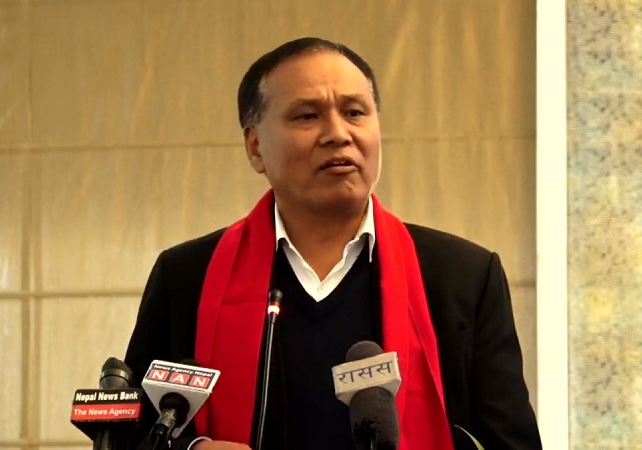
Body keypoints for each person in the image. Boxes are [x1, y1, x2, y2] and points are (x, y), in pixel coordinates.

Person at [123, 37, 542, 450]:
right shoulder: (188, 276)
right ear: (255, 147)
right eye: (307, 116)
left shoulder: (462, 276)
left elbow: (512, 441)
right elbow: (130, 435)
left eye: (355, 112)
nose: (338, 134)